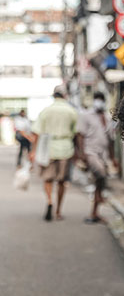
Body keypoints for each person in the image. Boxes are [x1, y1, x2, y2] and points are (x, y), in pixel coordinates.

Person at [31, 90, 78, 221]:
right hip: (66, 148)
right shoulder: (71, 111)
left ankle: (50, 200)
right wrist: (78, 153)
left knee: (48, 178)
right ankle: (58, 211)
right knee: (62, 181)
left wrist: (33, 151)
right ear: (64, 96)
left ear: (54, 97)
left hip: (49, 149)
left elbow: (36, 132)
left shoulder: (46, 111)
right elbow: (76, 133)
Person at [77, 91, 118, 224]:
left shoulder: (107, 118)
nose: (99, 101)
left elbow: (111, 140)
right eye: (97, 99)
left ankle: (95, 211)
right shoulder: (86, 116)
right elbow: (80, 136)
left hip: (103, 154)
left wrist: (113, 158)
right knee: (100, 173)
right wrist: (82, 154)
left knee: (100, 181)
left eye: (101, 99)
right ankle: (98, 198)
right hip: (90, 152)